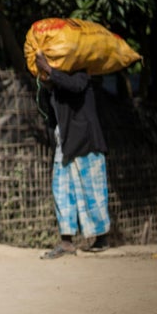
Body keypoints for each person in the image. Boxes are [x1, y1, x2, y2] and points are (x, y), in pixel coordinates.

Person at [35, 52, 111, 259]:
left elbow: (75, 87)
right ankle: (66, 241)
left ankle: (101, 237)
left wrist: (51, 71)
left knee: (92, 191)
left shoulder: (80, 74)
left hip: (86, 143)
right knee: (62, 191)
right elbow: (48, 111)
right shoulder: (53, 87)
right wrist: (46, 83)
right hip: (65, 145)